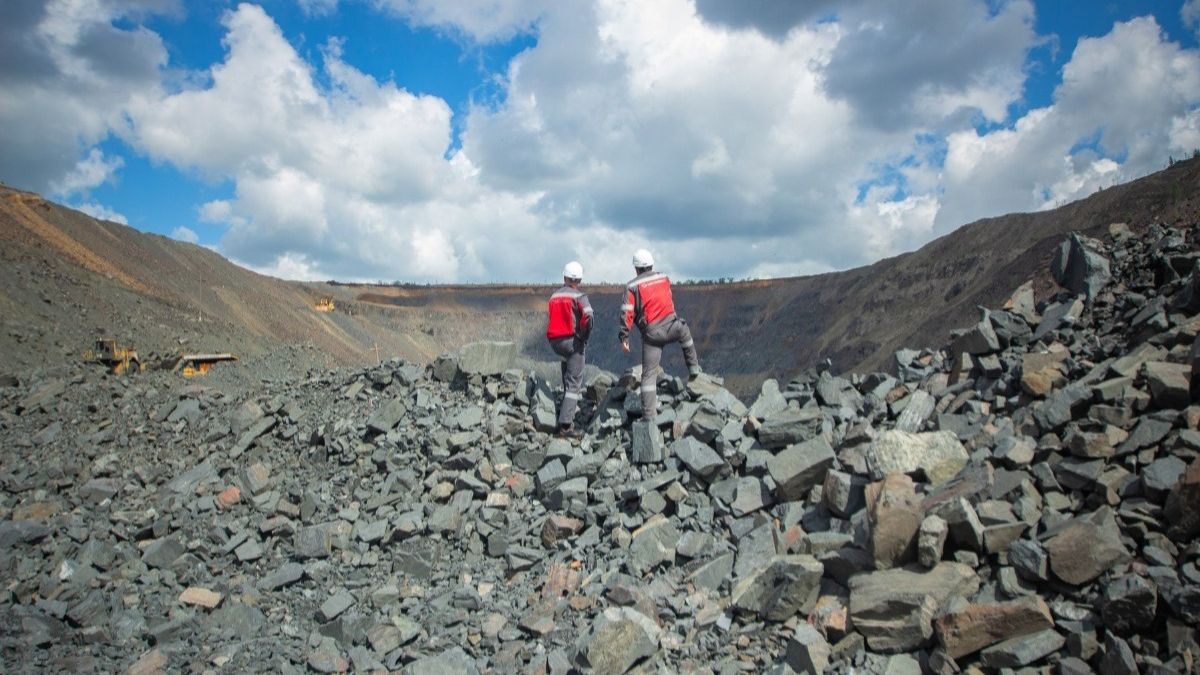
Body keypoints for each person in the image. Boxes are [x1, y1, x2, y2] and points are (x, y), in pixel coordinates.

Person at [619, 249, 701, 422]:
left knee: (648, 374)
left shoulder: (632, 287)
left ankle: (649, 417)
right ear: (651, 264)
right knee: (685, 332)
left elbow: (627, 313)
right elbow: (668, 299)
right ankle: (694, 369)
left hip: (652, 335)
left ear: (636, 269)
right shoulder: (664, 278)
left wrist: (624, 337)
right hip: (672, 327)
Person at [546, 260, 593, 438]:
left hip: (555, 343)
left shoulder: (553, 297)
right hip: (572, 342)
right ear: (579, 279)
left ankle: (563, 413)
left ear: (564, 276)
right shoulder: (579, 296)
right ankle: (565, 426)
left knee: (567, 374)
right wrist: (583, 335)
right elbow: (588, 316)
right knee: (574, 383)